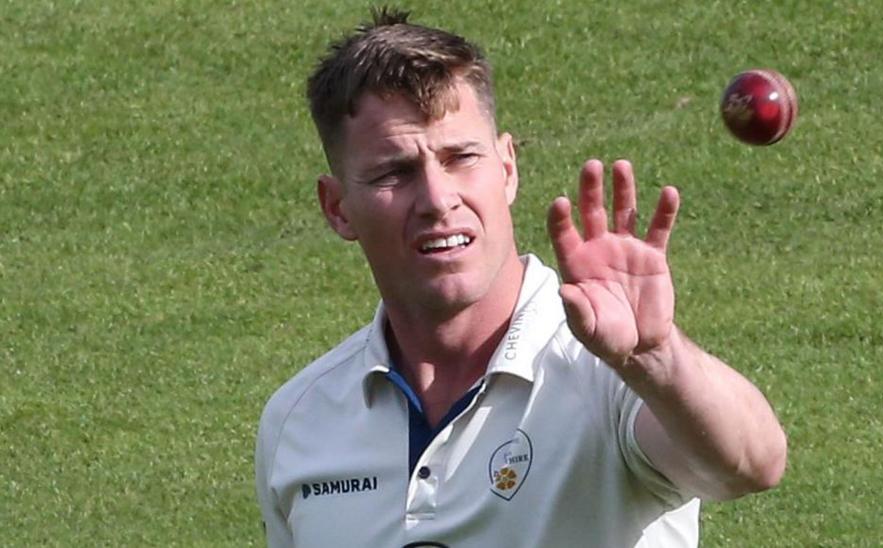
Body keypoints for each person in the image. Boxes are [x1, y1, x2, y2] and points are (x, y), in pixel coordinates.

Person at [255, 8, 787, 547]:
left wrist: (655, 356)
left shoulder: (607, 371)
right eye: (395, 172)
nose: (438, 199)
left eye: (461, 158)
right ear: (337, 207)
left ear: (507, 168)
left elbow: (751, 464)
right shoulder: (300, 422)